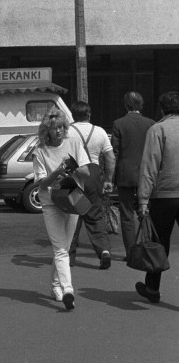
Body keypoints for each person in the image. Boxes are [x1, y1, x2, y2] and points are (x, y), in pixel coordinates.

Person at [31, 108, 90, 310]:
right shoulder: (40, 151)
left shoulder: (74, 142)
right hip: (50, 202)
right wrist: (57, 171)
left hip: (72, 200)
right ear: (46, 131)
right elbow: (41, 183)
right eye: (53, 128)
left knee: (64, 246)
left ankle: (56, 285)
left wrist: (72, 167)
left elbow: (87, 171)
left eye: (60, 127)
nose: (57, 131)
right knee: (60, 248)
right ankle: (68, 290)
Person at [135, 91, 179, 303]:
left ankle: (152, 288)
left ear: (162, 109)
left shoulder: (158, 129)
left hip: (164, 196)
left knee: (159, 243)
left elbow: (149, 167)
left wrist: (143, 199)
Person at [67, 100, 116, 269]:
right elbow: (110, 158)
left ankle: (69, 257)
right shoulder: (100, 132)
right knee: (95, 214)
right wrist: (109, 180)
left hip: (74, 174)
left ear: (73, 115)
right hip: (94, 173)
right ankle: (104, 251)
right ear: (89, 114)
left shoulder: (67, 132)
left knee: (73, 215)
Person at [111, 92, 155, 260]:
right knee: (146, 213)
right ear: (141, 105)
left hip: (125, 175)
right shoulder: (151, 124)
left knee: (127, 215)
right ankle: (148, 248)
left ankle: (131, 253)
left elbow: (115, 152)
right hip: (146, 175)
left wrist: (110, 178)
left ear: (126, 105)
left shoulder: (119, 124)